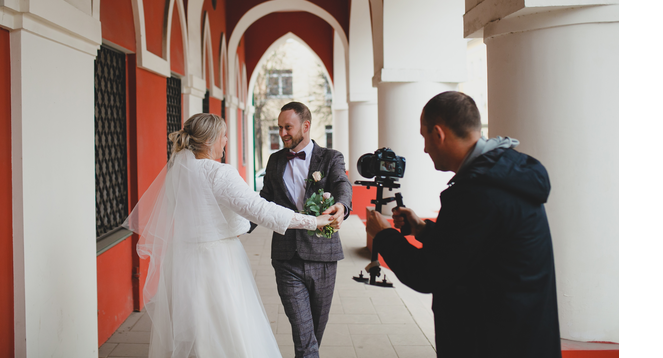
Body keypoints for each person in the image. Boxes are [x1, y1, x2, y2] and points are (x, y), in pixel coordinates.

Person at [124, 113, 338, 358]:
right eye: (223, 135)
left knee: (195, 330)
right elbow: (261, 210)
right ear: (210, 140)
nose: (226, 141)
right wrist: (314, 221)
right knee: (230, 330)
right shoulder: (220, 173)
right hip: (218, 262)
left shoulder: (177, 172)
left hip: (182, 261)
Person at [365, 91, 562, 358]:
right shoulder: (503, 174)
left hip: (492, 341)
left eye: (424, 137)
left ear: (438, 134)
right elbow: (474, 246)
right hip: (522, 334)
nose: (424, 148)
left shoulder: (475, 193)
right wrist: (422, 229)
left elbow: (428, 273)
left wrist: (385, 235)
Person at [257, 102, 352, 358]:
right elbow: (264, 199)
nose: (283, 133)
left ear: (306, 126)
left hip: (323, 257)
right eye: (279, 128)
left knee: (313, 336)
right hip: (286, 258)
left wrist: (342, 205)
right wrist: (241, 224)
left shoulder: (331, 157)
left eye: (288, 127)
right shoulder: (275, 161)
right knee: (304, 338)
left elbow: (342, 184)